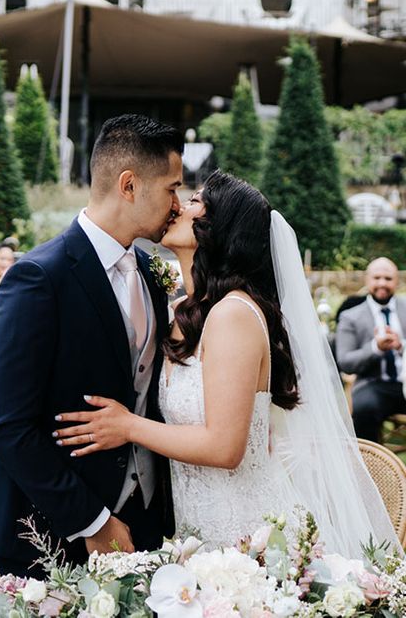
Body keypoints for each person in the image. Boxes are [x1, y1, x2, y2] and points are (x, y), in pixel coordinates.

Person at [54, 170, 399, 558]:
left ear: (220, 227)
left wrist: (128, 426)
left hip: (249, 536)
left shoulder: (233, 314)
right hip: (196, 531)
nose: (179, 205)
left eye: (196, 201)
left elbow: (224, 447)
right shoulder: (178, 313)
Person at [0, 114, 184, 576]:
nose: (178, 203)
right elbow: (7, 426)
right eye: (172, 188)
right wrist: (92, 521)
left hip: (144, 519)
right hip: (51, 530)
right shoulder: (37, 277)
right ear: (129, 185)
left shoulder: (151, 273)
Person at [336, 257, 406, 442]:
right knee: (364, 408)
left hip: (405, 382)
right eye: (376, 278)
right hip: (373, 385)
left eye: (388, 278)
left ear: (397, 281)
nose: (382, 283)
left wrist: (401, 346)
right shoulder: (350, 317)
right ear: (367, 280)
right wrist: (376, 348)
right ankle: (372, 466)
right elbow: (345, 362)